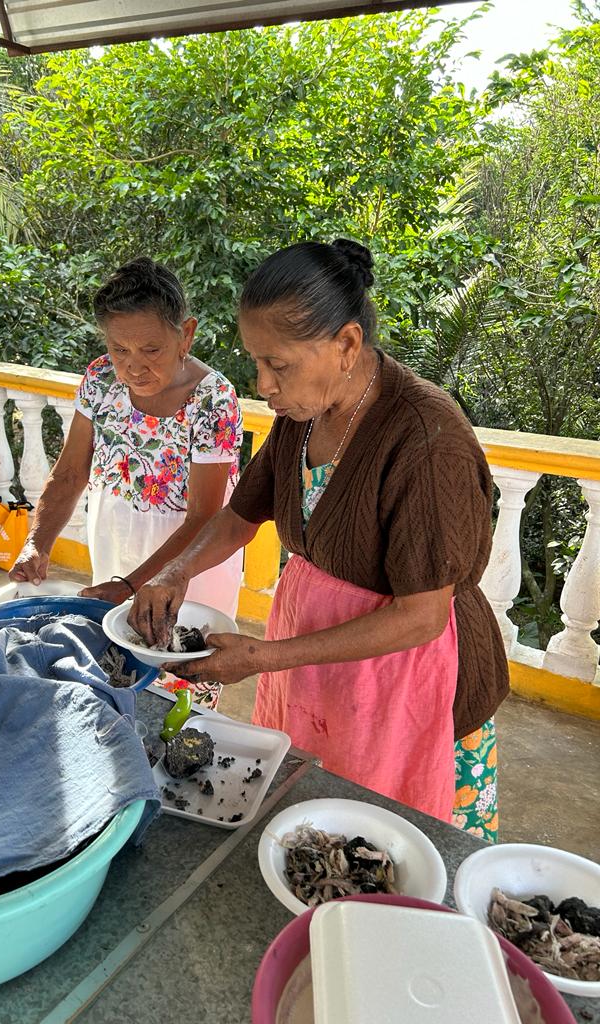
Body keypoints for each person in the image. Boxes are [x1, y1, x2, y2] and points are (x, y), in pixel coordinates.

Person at [129, 239, 509, 832]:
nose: (262, 384)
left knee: (382, 839)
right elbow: (238, 517)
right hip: (313, 654)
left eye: (277, 365)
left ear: (347, 345)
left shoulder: (428, 441)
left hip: (401, 675)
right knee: (308, 811)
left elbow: (421, 618)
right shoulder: (302, 417)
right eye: (256, 362)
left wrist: (261, 657)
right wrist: (176, 572)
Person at [10, 257, 243, 706]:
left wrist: (133, 585)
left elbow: (204, 516)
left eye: (151, 350)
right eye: (120, 349)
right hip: (117, 539)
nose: (133, 366)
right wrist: (38, 543)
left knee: (181, 672)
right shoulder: (99, 379)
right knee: (120, 666)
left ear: (186, 334)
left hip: (189, 555)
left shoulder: (213, 398)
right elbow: (71, 471)